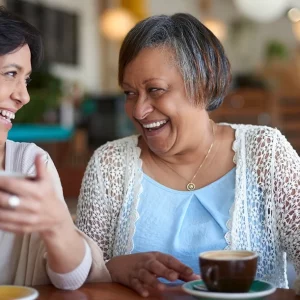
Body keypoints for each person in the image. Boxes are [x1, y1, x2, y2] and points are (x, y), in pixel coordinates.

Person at [76, 13, 300, 297]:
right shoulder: (109, 165)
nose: (139, 110)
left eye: (155, 90)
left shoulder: (265, 153)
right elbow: (76, 277)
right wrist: (113, 268)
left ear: (203, 83)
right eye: (130, 93)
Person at [0, 7, 110, 288]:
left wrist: (57, 225)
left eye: (25, 79)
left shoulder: (28, 165)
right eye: (10, 73)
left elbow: (70, 280)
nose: (22, 96)